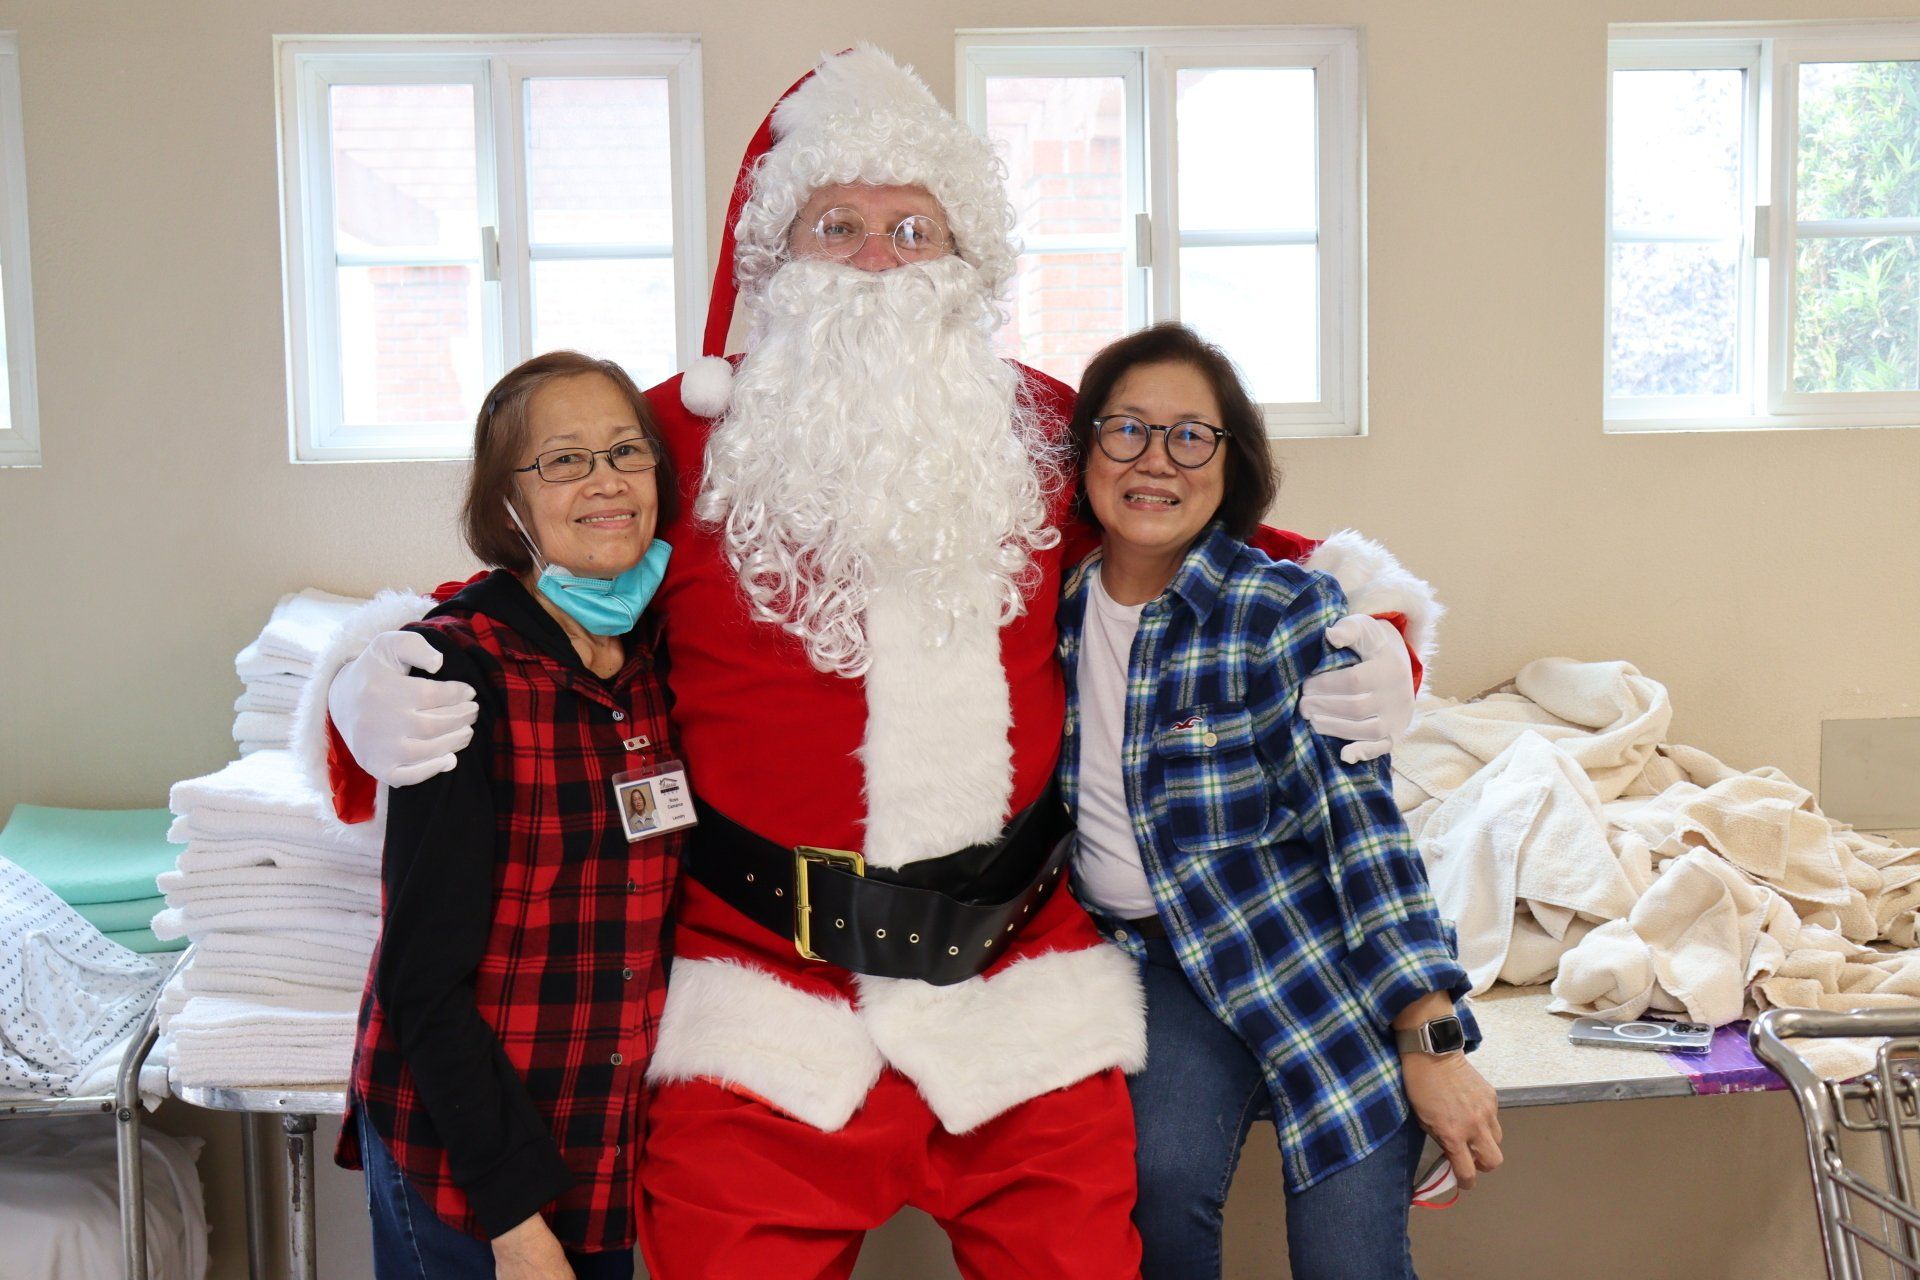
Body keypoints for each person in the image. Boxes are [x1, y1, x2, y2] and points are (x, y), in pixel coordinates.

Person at [301, 47, 1445, 1279]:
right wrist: (363, 680)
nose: (879, 257)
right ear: (774, 261)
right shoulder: (679, 434)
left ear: (967, 262)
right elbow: (525, 576)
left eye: (914, 226)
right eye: (836, 224)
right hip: (761, 1005)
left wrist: (1376, 625)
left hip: (1021, 993)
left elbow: (1224, 536)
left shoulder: (1044, 431)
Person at [1058, 323, 1501, 1280]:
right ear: (1087, 451)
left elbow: (1365, 835)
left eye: (1190, 436)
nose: (1155, 461)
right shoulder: (1046, 618)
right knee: (1155, 1186)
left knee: (1351, 1254)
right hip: (1156, 963)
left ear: (1230, 462)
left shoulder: (1284, 610)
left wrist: (1431, 1035)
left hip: (1310, 951)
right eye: (1126, 429)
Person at [338, 351, 682, 1280]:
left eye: (625, 452)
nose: (605, 481)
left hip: (598, 1150)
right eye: (564, 460)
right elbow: (419, 983)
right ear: (508, 505)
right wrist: (513, 1217)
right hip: (472, 1160)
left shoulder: (655, 655)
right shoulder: (457, 675)